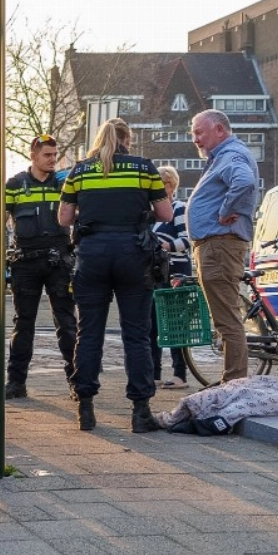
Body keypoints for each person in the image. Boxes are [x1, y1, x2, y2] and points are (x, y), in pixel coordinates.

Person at [58, 118, 172, 433]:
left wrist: (92, 215)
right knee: (136, 334)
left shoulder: (78, 171)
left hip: (92, 255)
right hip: (133, 254)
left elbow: (63, 217)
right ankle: (140, 411)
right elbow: (165, 214)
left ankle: (85, 408)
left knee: (88, 332)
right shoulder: (143, 168)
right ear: (127, 139)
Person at [185, 109, 260, 383]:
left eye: (199, 132)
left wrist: (226, 208)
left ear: (220, 130)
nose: (196, 139)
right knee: (226, 319)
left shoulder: (230, 155)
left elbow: (244, 181)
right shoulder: (223, 156)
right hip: (216, 246)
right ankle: (233, 381)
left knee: (227, 321)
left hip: (219, 246)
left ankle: (233, 384)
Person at [3, 134, 77, 400]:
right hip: (26, 261)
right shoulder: (15, 185)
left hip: (59, 260)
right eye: (47, 155)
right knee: (23, 323)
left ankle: (76, 381)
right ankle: (16, 382)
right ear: (33, 156)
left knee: (67, 322)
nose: (52, 160)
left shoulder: (64, 184)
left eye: (55, 155)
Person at [151, 165, 192, 389]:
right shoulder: (151, 213)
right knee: (152, 324)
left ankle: (180, 375)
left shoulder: (179, 209)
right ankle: (154, 373)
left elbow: (187, 240)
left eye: (162, 184)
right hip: (154, 273)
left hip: (176, 271)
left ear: (171, 186)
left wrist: (166, 245)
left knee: (175, 323)